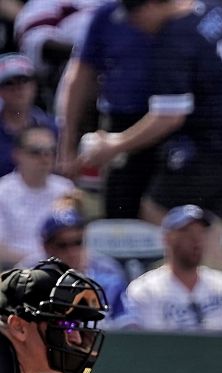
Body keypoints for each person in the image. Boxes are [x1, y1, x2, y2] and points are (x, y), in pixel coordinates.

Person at [77, 0, 222, 229]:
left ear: (150, 6)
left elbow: (169, 116)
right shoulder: (213, 9)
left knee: (160, 214)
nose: (133, 24)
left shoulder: (175, 38)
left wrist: (114, 144)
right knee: (211, 228)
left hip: (217, 146)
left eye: (134, 17)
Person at [55, 0, 162, 220]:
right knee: (119, 207)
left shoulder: (183, 13)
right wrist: (67, 143)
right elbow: (78, 78)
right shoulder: (107, 15)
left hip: (175, 125)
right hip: (120, 120)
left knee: (166, 210)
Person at [117, 205, 222, 330]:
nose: (196, 239)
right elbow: (150, 343)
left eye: (201, 232)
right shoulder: (145, 290)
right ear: (167, 238)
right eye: (186, 232)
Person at [23, 206, 128, 316]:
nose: (72, 252)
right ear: (46, 247)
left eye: (77, 242)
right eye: (62, 245)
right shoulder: (28, 274)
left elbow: (126, 322)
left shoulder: (107, 271)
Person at [0, 126, 75, 266]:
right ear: (17, 154)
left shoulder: (65, 188)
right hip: (13, 272)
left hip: (58, 269)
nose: (45, 158)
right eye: (36, 152)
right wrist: (39, 263)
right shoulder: (2, 191)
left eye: (50, 152)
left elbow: (72, 238)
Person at [0, 54, 57, 180]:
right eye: (9, 83)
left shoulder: (54, 128)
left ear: (34, 86)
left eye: (24, 81)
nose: (18, 89)